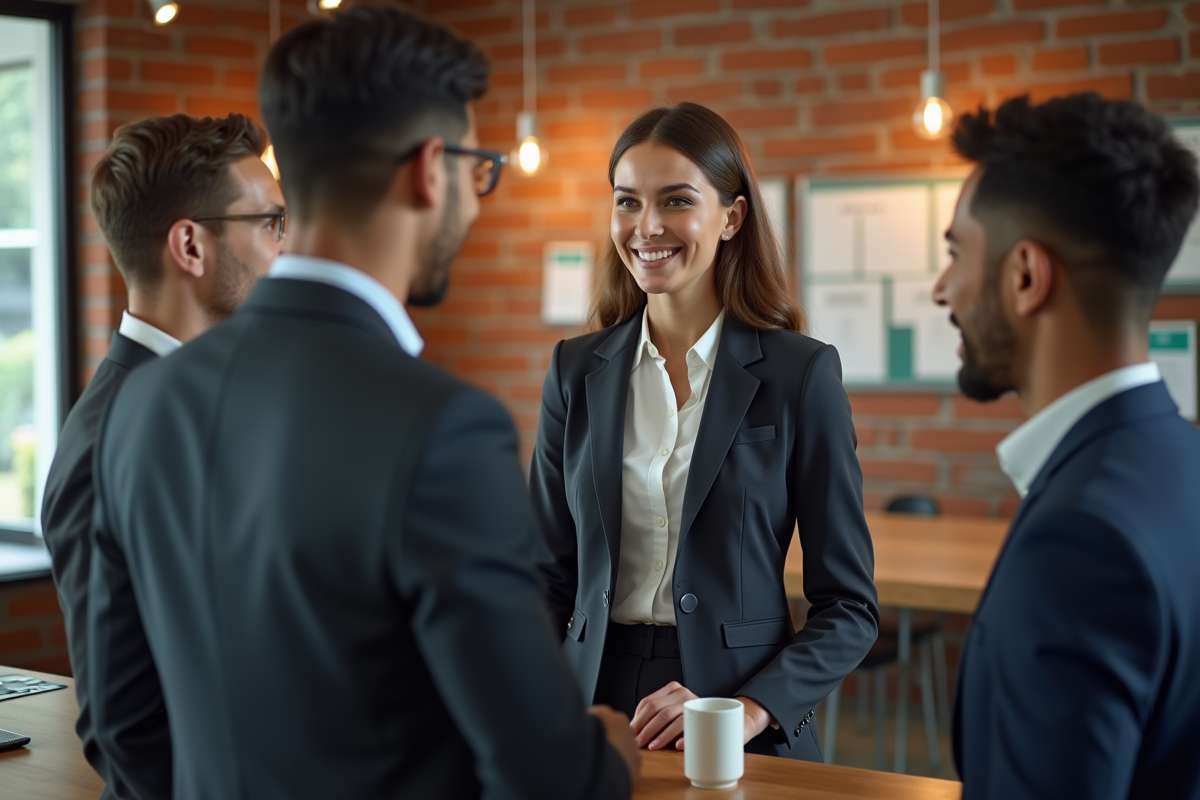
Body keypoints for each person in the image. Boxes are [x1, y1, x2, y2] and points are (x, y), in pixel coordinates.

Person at [85, 6, 638, 800]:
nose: (476, 201)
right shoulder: (443, 427)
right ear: (430, 169)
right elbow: (547, 778)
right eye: (479, 170)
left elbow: (123, 725)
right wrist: (609, 750)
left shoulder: (143, 402)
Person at [530, 102, 879, 762]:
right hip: (589, 702)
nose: (647, 226)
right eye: (627, 202)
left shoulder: (800, 374)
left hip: (735, 711)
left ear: (732, 217)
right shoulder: (574, 371)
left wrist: (748, 709)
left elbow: (849, 607)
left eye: (677, 201)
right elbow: (546, 578)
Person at [935, 93, 1200, 798]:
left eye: (956, 253)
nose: (941, 289)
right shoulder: (1185, 463)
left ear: (1025, 275)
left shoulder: (1079, 542)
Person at [41, 112, 283, 799]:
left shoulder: (230, 400)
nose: (287, 245)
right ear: (191, 246)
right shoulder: (105, 442)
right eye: (270, 222)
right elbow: (125, 727)